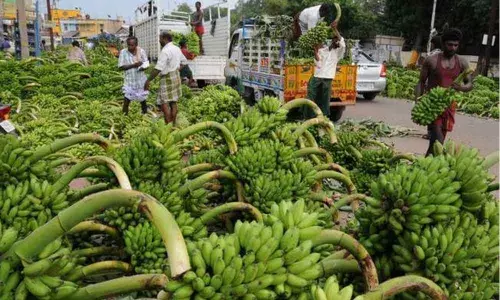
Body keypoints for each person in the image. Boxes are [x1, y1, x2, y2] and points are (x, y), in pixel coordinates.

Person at [415, 28, 473, 156]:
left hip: (449, 105)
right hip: (432, 104)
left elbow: (469, 84)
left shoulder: (462, 62)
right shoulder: (431, 60)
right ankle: (432, 165)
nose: (453, 48)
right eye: (450, 44)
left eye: (456, 45)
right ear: (443, 44)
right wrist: (418, 102)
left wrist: (461, 88)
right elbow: (420, 82)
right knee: (438, 140)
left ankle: (424, 165)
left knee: (435, 144)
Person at [304, 21, 345, 119]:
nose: (336, 41)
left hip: (327, 78)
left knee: (324, 99)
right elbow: (318, 62)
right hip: (317, 76)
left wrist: (335, 29)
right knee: (310, 94)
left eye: (337, 41)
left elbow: (343, 44)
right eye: (334, 40)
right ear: (331, 41)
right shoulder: (324, 50)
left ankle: (323, 117)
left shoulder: (338, 53)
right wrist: (315, 50)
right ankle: (308, 115)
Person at [144, 32, 186, 124]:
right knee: (173, 102)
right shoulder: (177, 48)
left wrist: (148, 80)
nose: (159, 41)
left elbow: (158, 68)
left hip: (167, 78)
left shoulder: (165, 51)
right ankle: (173, 124)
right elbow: (184, 61)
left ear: (165, 38)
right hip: (176, 76)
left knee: (165, 102)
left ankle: (168, 125)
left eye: (160, 38)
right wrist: (176, 70)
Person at [118, 36, 150, 115]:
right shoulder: (123, 52)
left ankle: (144, 115)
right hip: (129, 81)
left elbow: (146, 63)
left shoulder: (141, 51)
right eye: (128, 45)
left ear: (136, 45)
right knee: (127, 100)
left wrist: (143, 67)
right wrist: (134, 65)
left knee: (143, 100)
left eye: (132, 45)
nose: (130, 47)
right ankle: (124, 117)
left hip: (140, 80)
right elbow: (121, 67)